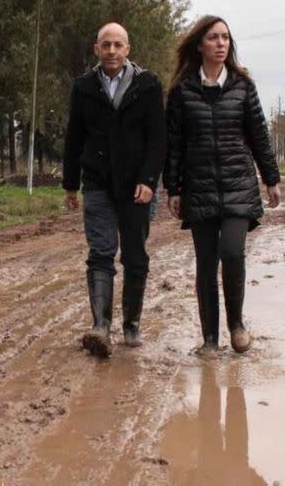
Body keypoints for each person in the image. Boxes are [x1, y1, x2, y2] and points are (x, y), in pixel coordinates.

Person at [164, 15, 281, 354]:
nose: (221, 44)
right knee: (205, 264)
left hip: (238, 185)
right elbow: (175, 144)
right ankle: (210, 339)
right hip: (198, 187)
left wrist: (271, 178)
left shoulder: (243, 87)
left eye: (226, 38)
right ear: (199, 44)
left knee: (232, 253)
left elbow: (259, 135)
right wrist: (173, 187)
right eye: (214, 38)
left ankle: (237, 325)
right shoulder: (182, 91)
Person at [63, 22, 166, 358]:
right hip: (97, 184)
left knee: (135, 256)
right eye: (105, 45)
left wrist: (149, 180)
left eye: (117, 45)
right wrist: (70, 185)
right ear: (96, 49)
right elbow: (74, 137)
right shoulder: (83, 87)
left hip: (137, 186)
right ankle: (100, 326)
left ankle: (131, 326)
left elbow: (157, 138)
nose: (111, 51)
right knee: (101, 252)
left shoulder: (148, 86)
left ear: (128, 49)